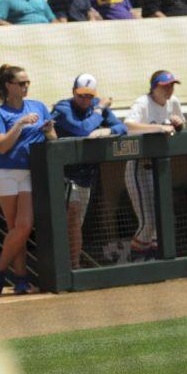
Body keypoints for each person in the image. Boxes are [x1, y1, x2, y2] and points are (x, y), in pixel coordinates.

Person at [0, 64, 55, 295]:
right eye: (21, 83)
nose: (26, 87)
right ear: (9, 86)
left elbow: (52, 137)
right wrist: (19, 123)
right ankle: (22, 278)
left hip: (29, 171)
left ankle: (0, 266)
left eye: (28, 83)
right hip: (5, 173)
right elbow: (2, 146)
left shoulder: (38, 106)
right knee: (15, 228)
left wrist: (47, 129)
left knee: (24, 226)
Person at [50, 74, 126, 268]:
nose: (85, 100)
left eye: (89, 96)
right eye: (81, 95)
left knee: (76, 223)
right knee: (71, 217)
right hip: (61, 175)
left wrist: (108, 131)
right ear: (74, 92)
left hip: (85, 177)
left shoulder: (95, 108)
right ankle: (68, 268)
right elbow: (81, 129)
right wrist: (100, 109)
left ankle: (72, 267)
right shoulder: (62, 108)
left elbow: (122, 127)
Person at [124, 70, 186, 260]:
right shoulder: (143, 102)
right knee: (148, 222)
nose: (169, 89)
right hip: (138, 167)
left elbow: (182, 125)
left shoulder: (173, 102)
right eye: (165, 86)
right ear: (154, 87)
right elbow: (129, 126)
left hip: (158, 169)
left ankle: (153, 260)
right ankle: (134, 262)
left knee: (161, 219)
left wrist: (178, 123)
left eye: (171, 85)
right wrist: (159, 127)